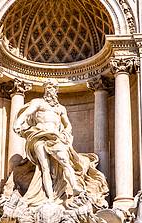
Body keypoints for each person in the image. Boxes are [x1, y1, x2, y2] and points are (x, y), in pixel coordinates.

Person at [13, 80, 107, 208]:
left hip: (56, 138)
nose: (51, 90)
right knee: (44, 167)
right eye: (49, 88)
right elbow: (26, 113)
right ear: (45, 90)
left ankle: (74, 186)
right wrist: (17, 124)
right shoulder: (38, 103)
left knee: (65, 161)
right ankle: (50, 198)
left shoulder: (60, 108)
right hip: (39, 136)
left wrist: (65, 134)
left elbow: (67, 125)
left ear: (56, 91)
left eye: (53, 88)